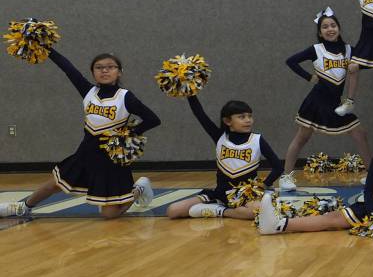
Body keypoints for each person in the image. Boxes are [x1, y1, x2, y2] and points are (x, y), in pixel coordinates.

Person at [1, 50, 159, 219]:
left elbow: (153, 119)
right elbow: (68, 68)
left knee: (109, 214)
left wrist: (128, 134)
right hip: (86, 153)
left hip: (111, 162)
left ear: (119, 72)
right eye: (99, 67)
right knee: (55, 184)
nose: (104, 70)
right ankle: (23, 207)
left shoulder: (126, 97)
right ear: (93, 73)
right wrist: (46, 48)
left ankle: (139, 189)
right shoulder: (88, 91)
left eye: (110, 67)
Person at [278, 8, 372, 192]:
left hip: (337, 104)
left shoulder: (348, 50)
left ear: (339, 28)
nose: (330, 29)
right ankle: (286, 176)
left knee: (360, 134)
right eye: (325, 27)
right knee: (301, 138)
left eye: (333, 25)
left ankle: (371, 174)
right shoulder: (316, 49)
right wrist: (308, 77)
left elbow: (366, 63)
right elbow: (291, 61)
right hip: (316, 101)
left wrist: (357, 64)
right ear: (320, 32)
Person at [165, 98, 283, 220]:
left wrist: (262, 186)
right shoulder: (220, 137)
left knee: (256, 212)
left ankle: (219, 211)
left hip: (244, 196)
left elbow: (278, 167)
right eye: (242, 117)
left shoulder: (257, 140)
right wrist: (190, 94)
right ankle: (224, 208)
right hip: (220, 194)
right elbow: (200, 114)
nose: (248, 120)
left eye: (250, 116)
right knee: (173, 211)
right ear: (227, 121)